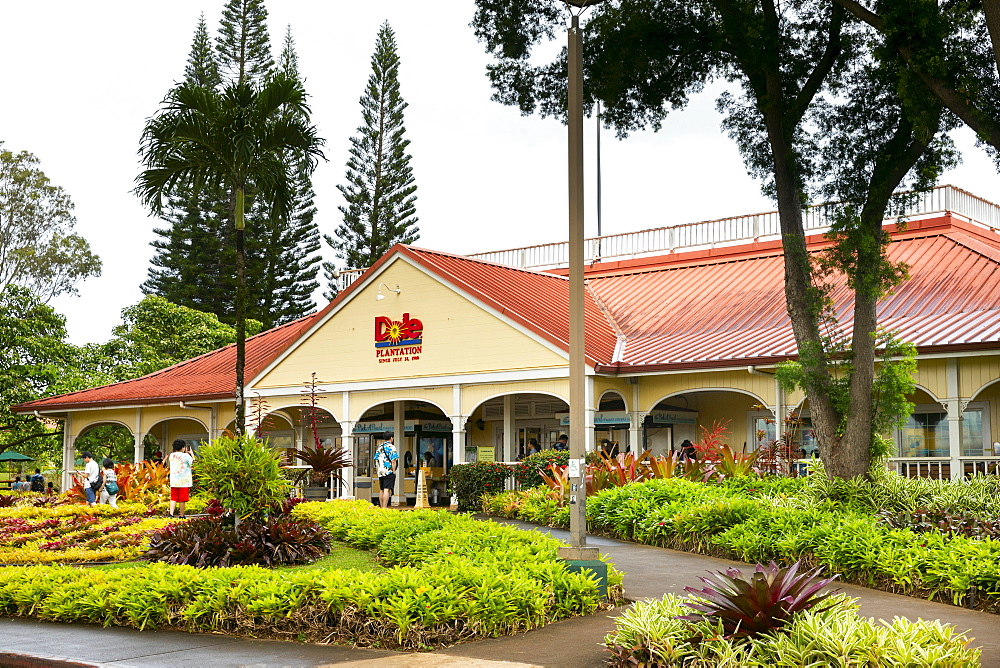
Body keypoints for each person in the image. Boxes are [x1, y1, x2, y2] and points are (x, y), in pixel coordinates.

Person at [167, 439, 193, 517]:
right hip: (184, 481)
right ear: (183, 447)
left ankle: (171, 514)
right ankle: (181, 515)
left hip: (174, 480)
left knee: (173, 497)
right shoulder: (186, 456)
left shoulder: (172, 455)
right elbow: (193, 464)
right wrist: (191, 454)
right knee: (182, 499)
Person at [373, 433, 398, 509]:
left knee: (381, 489)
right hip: (388, 470)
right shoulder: (392, 447)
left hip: (380, 471)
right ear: (391, 438)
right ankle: (384, 507)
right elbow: (394, 460)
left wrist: (378, 468)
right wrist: (394, 471)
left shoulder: (380, 447)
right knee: (387, 489)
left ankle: (381, 506)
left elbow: (376, 459)